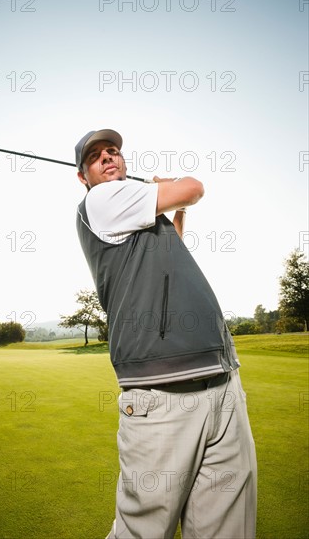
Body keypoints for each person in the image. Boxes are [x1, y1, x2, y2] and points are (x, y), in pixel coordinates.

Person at [75, 129, 257, 539]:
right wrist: (167, 187)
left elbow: (169, 244)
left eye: (114, 152)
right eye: (96, 157)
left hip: (223, 380)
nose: (109, 158)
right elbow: (194, 188)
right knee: (144, 532)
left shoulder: (135, 217)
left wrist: (173, 207)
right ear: (83, 177)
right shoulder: (100, 200)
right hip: (165, 392)